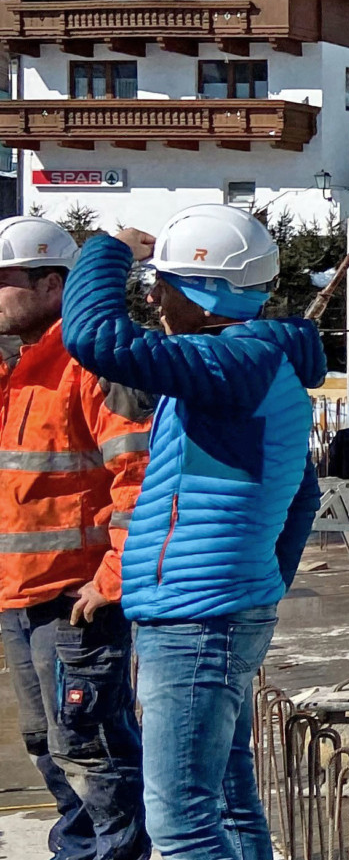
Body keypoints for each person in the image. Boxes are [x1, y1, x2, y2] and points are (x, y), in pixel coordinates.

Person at [61, 204, 326, 860]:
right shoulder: (250, 369)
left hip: (197, 622)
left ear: (201, 293)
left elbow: (96, 337)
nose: (153, 300)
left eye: (162, 285)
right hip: (219, 612)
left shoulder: (229, 364)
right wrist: (257, 585)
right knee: (229, 803)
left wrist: (107, 248)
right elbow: (301, 498)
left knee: (182, 827)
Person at [0, 216, 151, 860]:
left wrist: (111, 578)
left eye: (2, 282)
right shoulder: (13, 368)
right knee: (46, 741)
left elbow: (138, 475)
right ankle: (78, 848)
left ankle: (116, 852)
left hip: (75, 597)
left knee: (91, 743)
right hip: (18, 592)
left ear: (52, 284)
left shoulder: (91, 364)